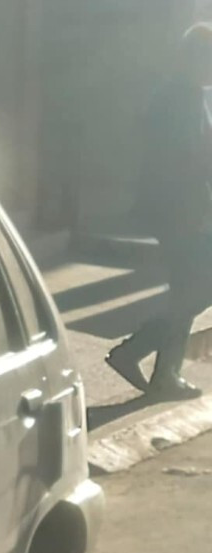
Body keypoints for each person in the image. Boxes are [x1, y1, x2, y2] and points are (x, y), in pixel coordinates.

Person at [107, 24, 212, 400]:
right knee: (195, 290)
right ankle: (147, 362)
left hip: (187, 209)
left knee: (192, 291)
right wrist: (197, 209)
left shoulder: (191, 94)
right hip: (180, 211)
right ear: (195, 57)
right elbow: (182, 161)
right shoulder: (175, 99)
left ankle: (155, 366)